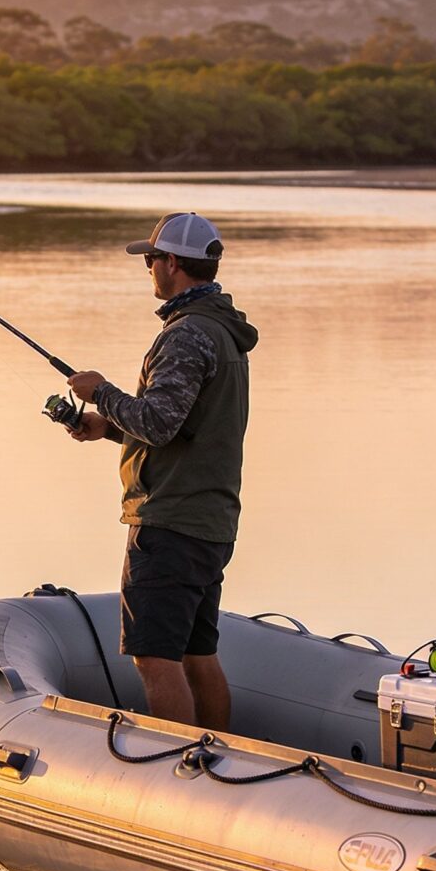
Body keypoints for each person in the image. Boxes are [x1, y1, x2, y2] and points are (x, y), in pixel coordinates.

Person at [62, 212, 258, 728]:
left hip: (171, 522)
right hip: (210, 519)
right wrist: (106, 427)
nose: (147, 267)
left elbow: (159, 422)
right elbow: (185, 425)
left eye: (150, 259)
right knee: (197, 655)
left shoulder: (186, 335)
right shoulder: (220, 329)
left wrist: (99, 390)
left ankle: (182, 770)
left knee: (155, 657)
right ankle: (218, 757)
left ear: (171, 263)